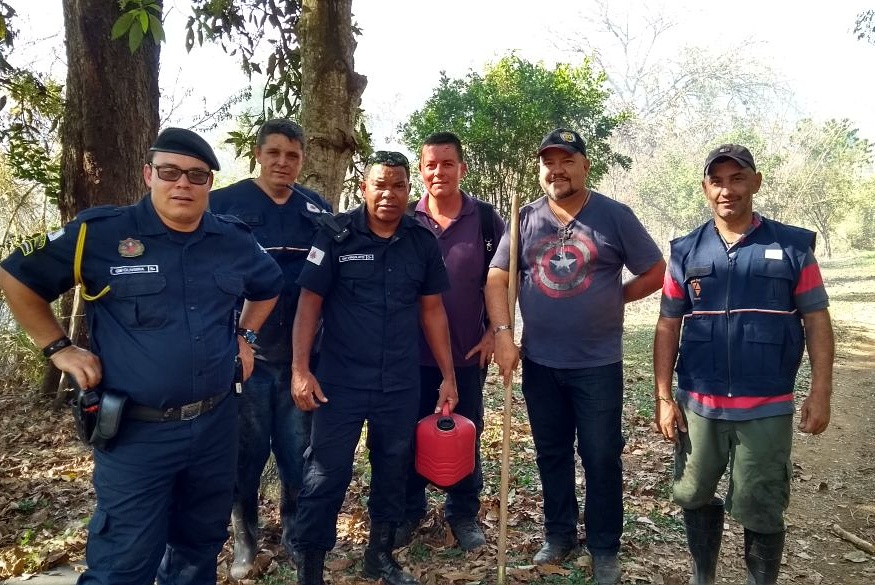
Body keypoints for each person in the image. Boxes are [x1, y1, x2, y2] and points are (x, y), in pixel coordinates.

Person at [0, 128, 283, 585]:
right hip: (137, 432)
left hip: (215, 426)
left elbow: (269, 285)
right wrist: (58, 348)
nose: (183, 184)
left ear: (209, 182)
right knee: (124, 563)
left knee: (198, 548)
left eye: (196, 175)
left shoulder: (231, 239)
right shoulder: (100, 234)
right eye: (170, 172)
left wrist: (244, 335)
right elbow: (16, 276)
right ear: (149, 174)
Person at [486, 128, 665, 584]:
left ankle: (604, 546)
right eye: (549, 162)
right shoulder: (524, 218)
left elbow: (655, 270)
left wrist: (615, 297)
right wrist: (503, 334)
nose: (557, 170)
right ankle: (559, 533)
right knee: (551, 453)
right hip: (540, 361)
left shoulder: (613, 216)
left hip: (597, 363)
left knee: (601, 455)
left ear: (585, 165)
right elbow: (497, 277)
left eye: (567, 161)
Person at [653, 144, 834, 585]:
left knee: (762, 504)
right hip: (699, 404)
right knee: (692, 492)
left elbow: (816, 319)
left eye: (737, 179)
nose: (727, 190)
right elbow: (667, 325)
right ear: (705, 188)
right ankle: (703, 576)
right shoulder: (685, 251)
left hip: (766, 406)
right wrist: (663, 398)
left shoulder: (791, 246)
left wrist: (821, 392)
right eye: (717, 181)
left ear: (756, 182)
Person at [290, 150, 458, 585]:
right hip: (339, 383)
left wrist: (448, 375)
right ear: (363, 188)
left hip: (398, 383)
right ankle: (311, 567)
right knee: (325, 474)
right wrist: (300, 370)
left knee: (392, 469)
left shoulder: (422, 241)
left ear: (409, 189)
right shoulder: (335, 236)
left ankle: (379, 555)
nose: (389, 194)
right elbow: (309, 305)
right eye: (380, 185)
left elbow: (433, 312)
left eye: (398, 185)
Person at [209, 118, 331, 577]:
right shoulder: (223, 205)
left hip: (300, 359)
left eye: (292, 155)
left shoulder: (316, 209)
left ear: (302, 160)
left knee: (298, 454)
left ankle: (296, 534)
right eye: (274, 152)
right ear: (258, 154)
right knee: (246, 455)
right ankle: (245, 539)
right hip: (246, 360)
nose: (283, 162)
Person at [395, 131, 504, 551]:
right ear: (421, 171)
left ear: (462, 168)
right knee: (406, 434)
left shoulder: (486, 220)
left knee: (465, 431)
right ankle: (409, 510)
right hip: (408, 355)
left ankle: (462, 513)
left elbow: (504, 279)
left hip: (466, 352)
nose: (438, 171)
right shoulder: (404, 217)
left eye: (447, 163)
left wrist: (495, 331)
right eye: (430, 165)